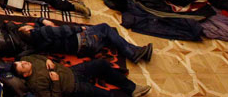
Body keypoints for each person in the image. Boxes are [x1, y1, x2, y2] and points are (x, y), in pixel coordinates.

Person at [16, 20, 153, 64]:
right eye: (27, 26)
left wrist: (40, 22)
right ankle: (132, 53)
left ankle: (138, 51)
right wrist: (79, 28)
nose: (30, 25)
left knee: (109, 36)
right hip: (83, 39)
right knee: (105, 27)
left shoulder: (37, 43)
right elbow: (63, 30)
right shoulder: (42, 32)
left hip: (82, 49)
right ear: (28, 31)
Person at [14, 55, 150, 97]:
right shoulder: (35, 84)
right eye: (23, 65)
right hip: (75, 87)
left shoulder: (30, 59)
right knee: (108, 96)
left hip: (73, 71)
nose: (25, 62)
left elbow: (38, 56)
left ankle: (132, 88)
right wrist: (55, 82)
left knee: (101, 64)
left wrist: (46, 60)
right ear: (25, 74)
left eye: (21, 62)